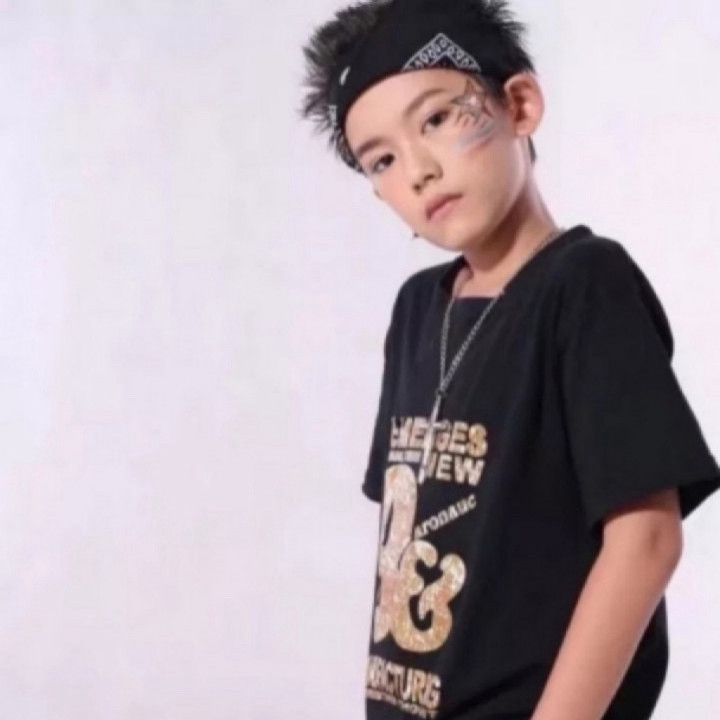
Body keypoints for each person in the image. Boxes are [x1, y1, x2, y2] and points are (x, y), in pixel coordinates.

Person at [298, 1, 720, 718]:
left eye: (438, 118)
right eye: (383, 160)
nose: (419, 171)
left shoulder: (583, 284)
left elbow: (647, 539)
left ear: (519, 104)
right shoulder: (417, 311)